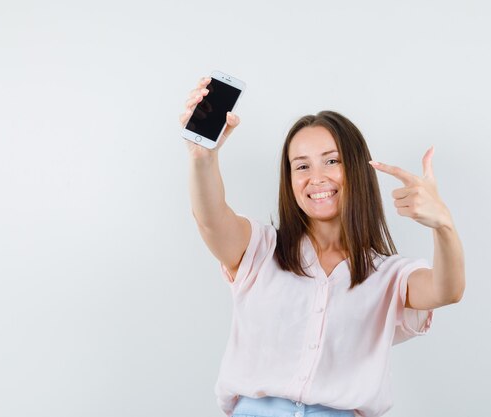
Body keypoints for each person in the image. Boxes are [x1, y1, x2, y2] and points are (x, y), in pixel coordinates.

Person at [180, 76, 465, 417]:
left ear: (357, 169)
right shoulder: (259, 248)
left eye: (332, 161)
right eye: (302, 166)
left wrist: (443, 225)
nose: (317, 178)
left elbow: (446, 290)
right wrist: (202, 158)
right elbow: (211, 219)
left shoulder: (388, 275)